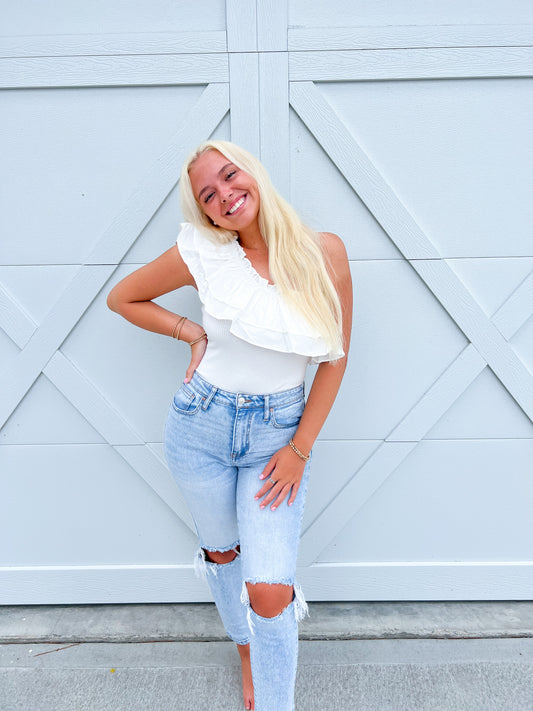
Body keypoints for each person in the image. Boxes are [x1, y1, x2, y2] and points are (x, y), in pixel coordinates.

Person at [107, 140, 352, 710]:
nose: (225, 195)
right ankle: (245, 649)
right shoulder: (204, 255)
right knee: (222, 554)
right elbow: (125, 297)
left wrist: (300, 447)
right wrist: (189, 333)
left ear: (254, 173)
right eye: (209, 195)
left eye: (230, 176)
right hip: (201, 425)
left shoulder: (326, 252)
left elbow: (336, 358)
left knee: (268, 588)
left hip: (277, 435)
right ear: (207, 213)